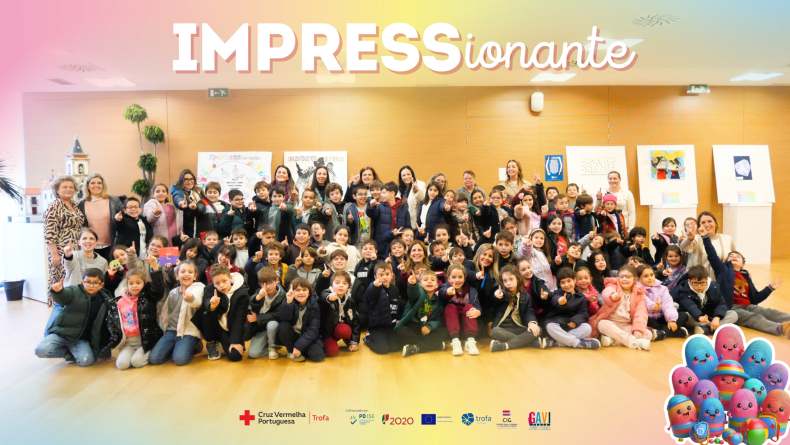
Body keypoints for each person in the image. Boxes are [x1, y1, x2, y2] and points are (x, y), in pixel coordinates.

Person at [700, 226, 789, 338]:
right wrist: (705, 237)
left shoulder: (746, 276)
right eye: (731, 256)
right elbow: (712, 255)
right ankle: (782, 328)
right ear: (726, 261)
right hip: (732, 308)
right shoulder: (722, 270)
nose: (734, 257)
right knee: (755, 318)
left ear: (742, 264)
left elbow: (756, 298)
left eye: (738, 256)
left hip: (748, 305)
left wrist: (770, 288)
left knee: (770, 312)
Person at [35, 268, 112, 366]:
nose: (91, 285)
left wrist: (105, 352)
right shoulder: (74, 291)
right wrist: (58, 292)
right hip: (62, 333)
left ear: (101, 285)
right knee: (41, 350)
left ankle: (71, 353)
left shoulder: (105, 300)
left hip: (80, 339)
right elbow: (64, 296)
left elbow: (104, 327)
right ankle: (67, 353)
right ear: (82, 282)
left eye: (95, 283)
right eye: (88, 282)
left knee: (86, 361)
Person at [105, 257, 165, 370]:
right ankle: (133, 353)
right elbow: (114, 324)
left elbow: (157, 289)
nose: (134, 286)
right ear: (127, 285)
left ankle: (151, 350)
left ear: (144, 284)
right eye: (131, 283)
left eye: (138, 283)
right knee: (122, 365)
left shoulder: (148, 298)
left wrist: (154, 267)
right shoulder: (119, 302)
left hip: (145, 340)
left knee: (136, 362)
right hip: (128, 343)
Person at [149, 260, 206, 366]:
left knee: (180, 360)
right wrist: (164, 328)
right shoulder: (173, 292)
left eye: (190, 272)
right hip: (172, 330)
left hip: (188, 331)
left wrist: (190, 298)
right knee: (154, 359)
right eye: (183, 272)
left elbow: (197, 302)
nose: (186, 274)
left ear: (195, 276)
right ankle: (177, 347)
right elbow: (166, 312)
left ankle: (195, 345)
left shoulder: (199, 287)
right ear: (177, 276)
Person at [44, 175, 86, 306]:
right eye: (64, 187)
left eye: (71, 187)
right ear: (57, 189)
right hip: (61, 249)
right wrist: (54, 254)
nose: (68, 189)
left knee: (75, 276)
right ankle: (59, 306)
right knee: (62, 278)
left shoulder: (74, 205)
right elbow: (49, 233)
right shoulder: (54, 207)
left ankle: (74, 304)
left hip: (77, 247)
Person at [194, 264, 249, 362]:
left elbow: (239, 318)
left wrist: (235, 341)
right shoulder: (210, 289)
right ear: (213, 283)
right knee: (206, 314)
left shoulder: (242, 292)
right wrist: (212, 305)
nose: (222, 285)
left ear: (230, 278)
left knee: (235, 356)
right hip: (216, 326)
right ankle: (211, 342)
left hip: (231, 326)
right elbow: (206, 301)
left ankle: (226, 340)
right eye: (217, 283)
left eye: (224, 281)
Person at [589, 266, 650, 350]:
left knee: (647, 333)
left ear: (634, 279)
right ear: (618, 278)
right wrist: (612, 296)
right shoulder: (613, 286)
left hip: (626, 325)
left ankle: (613, 341)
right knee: (601, 324)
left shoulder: (639, 293)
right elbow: (606, 293)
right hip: (611, 323)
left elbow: (641, 312)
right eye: (622, 277)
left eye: (628, 277)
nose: (624, 279)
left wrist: (638, 330)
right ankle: (633, 342)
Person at [671, 265, 738, 336]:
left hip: (710, 317)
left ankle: (706, 329)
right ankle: (711, 328)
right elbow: (690, 306)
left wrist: (717, 317)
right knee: (685, 316)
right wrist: (699, 316)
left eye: (702, 282)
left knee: (733, 314)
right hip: (695, 318)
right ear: (690, 281)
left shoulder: (714, 288)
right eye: (696, 283)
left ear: (707, 280)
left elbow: (721, 304)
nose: (699, 286)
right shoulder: (684, 290)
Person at [489, 265, 544, 351]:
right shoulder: (502, 292)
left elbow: (529, 311)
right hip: (503, 328)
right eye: (505, 280)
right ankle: (530, 343)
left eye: (511, 279)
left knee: (538, 329)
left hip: (518, 327)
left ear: (517, 279)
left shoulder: (525, 296)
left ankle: (505, 345)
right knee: (494, 331)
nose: (508, 283)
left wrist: (532, 323)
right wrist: (498, 295)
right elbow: (500, 296)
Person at [543, 268, 599, 349]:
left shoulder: (581, 297)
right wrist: (560, 301)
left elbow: (583, 314)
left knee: (587, 328)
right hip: (557, 324)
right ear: (559, 284)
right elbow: (555, 299)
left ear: (574, 280)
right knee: (549, 326)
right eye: (563, 282)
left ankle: (557, 342)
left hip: (571, 326)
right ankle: (578, 343)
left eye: (569, 281)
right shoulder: (557, 293)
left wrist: (575, 321)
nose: (566, 285)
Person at [397, 270, 448, 357]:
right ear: (420, 284)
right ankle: (433, 344)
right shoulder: (418, 294)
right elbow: (413, 293)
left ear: (437, 285)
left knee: (444, 331)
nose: (429, 281)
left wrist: (429, 326)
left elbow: (439, 320)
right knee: (400, 331)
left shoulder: (438, 301)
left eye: (432, 280)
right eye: (425, 279)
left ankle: (416, 347)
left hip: (426, 328)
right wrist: (413, 285)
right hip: (413, 327)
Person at [77, 173, 125, 261]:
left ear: (103, 185)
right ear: (88, 186)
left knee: (111, 269)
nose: (96, 185)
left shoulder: (113, 201)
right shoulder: (81, 204)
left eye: (99, 183)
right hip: (91, 246)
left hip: (111, 245)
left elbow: (124, 218)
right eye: (93, 183)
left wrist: (119, 219)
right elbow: (81, 226)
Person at [277, 278, 325, 362]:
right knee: (283, 326)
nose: (301, 293)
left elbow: (313, 330)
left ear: (309, 293)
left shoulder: (314, 305)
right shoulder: (288, 300)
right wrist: (289, 302)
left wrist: (299, 347)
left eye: (304, 290)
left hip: (307, 337)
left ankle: (298, 350)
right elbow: (283, 318)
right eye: (297, 290)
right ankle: (291, 350)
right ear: (292, 292)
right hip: (293, 336)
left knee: (318, 356)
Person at [637, 265, 689, 340]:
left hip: (663, 317)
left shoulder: (663, 289)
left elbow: (668, 305)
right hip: (650, 319)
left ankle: (662, 333)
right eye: (646, 276)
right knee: (643, 319)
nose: (650, 278)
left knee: (684, 315)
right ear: (639, 279)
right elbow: (643, 305)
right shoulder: (638, 290)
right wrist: (653, 307)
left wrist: (671, 320)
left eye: (651, 275)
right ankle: (674, 332)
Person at [439, 264, 481, 356]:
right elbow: (442, 293)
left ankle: (470, 342)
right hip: (452, 325)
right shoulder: (445, 288)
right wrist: (447, 293)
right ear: (448, 279)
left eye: (460, 277)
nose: (457, 280)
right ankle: (455, 342)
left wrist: (478, 311)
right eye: (453, 277)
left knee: (469, 307)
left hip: (467, 322)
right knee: (451, 307)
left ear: (464, 278)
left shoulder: (472, 290)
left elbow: (477, 305)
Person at [681, 211, 735, 280]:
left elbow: (734, 258)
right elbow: (683, 247)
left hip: (721, 281)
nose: (706, 224)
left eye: (709, 221)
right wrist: (689, 239)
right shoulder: (696, 238)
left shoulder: (728, 239)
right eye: (703, 222)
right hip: (699, 282)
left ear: (715, 223)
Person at [319, 270, 361, 357]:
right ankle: (324, 343)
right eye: (337, 283)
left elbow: (355, 322)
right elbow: (323, 297)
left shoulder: (350, 301)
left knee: (344, 330)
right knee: (331, 351)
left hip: (338, 328)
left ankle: (348, 341)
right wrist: (329, 298)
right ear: (331, 285)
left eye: (344, 283)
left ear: (348, 288)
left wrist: (354, 341)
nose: (341, 285)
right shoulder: (326, 294)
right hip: (325, 332)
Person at [364, 262, 403, 354]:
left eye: (387, 274)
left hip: (390, 325)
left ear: (392, 275)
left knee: (395, 348)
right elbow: (370, 292)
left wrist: (398, 318)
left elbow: (397, 305)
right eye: (381, 275)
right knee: (383, 349)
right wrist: (374, 286)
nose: (384, 277)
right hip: (377, 326)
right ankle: (368, 339)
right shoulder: (376, 289)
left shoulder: (395, 289)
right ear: (375, 277)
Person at [248, 267, 286, 360]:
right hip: (262, 329)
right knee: (253, 354)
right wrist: (258, 297)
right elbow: (251, 303)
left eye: (270, 282)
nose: (267, 286)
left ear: (277, 281)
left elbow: (278, 315)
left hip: (275, 328)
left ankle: (273, 347)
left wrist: (258, 318)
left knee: (272, 324)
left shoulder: (283, 295)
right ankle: (269, 346)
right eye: (263, 283)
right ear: (259, 284)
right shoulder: (260, 292)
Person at [367, 181, 412, 257]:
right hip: (382, 244)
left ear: (392, 193)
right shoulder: (379, 206)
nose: (381, 195)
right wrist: (371, 206)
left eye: (384, 193)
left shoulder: (403, 209)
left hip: (398, 245)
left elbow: (408, 228)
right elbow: (371, 214)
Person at [170, 169, 205, 239]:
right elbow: (178, 198)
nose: (189, 182)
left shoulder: (198, 191)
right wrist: (181, 203)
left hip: (199, 228)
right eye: (186, 179)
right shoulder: (178, 192)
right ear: (181, 181)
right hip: (186, 230)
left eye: (191, 179)